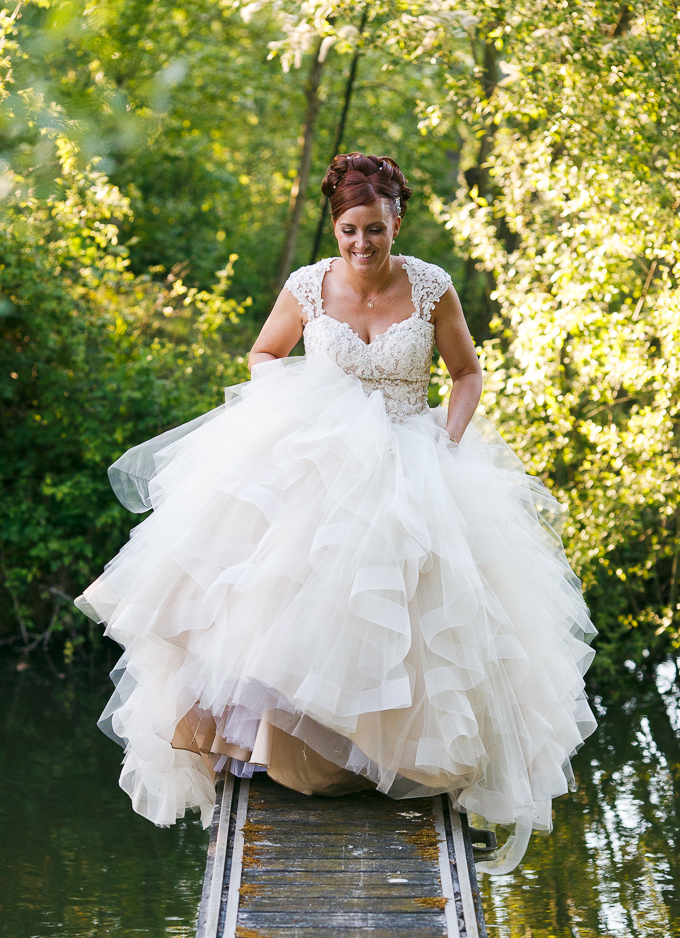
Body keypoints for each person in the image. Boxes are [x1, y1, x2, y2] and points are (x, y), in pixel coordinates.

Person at [76, 153, 596, 873]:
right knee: (293, 604)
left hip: (414, 459)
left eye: (374, 230)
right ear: (335, 226)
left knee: (417, 617)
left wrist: (447, 439)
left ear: (396, 223)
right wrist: (300, 399)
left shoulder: (432, 286)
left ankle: (392, 758)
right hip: (320, 459)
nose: (361, 245)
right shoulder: (306, 287)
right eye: (349, 230)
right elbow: (263, 354)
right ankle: (297, 756)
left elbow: (466, 373)